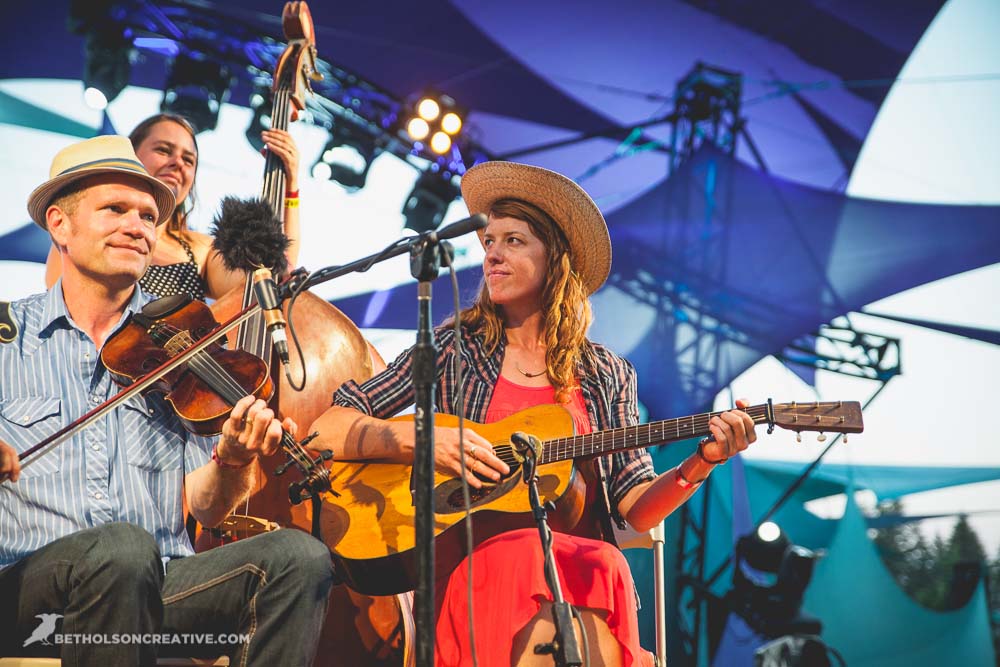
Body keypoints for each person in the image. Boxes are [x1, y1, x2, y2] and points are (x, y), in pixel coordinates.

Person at [307, 161, 758, 666]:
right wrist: (424, 441)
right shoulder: (456, 351)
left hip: (583, 575)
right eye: (489, 242)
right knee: (523, 552)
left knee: (605, 561)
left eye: (513, 241)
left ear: (555, 260)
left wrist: (701, 462)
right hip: (473, 572)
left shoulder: (606, 373)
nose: (492, 254)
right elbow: (328, 429)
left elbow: (634, 506)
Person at [0, 135, 334, 666]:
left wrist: (233, 458)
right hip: (29, 588)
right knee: (121, 549)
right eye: (115, 210)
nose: (138, 226)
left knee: (298, 558)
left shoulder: (181, 350)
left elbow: (205, 505)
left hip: (153, 583)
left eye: (148, 216)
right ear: (60, 224)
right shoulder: (7, 336)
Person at [45, 112, 302, 300]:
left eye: (188, 160)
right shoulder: (88, 230)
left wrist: (289, 186)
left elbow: (266, 279)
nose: (178, 163)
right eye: (164, 150)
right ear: (132, 155)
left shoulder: (199, 250)